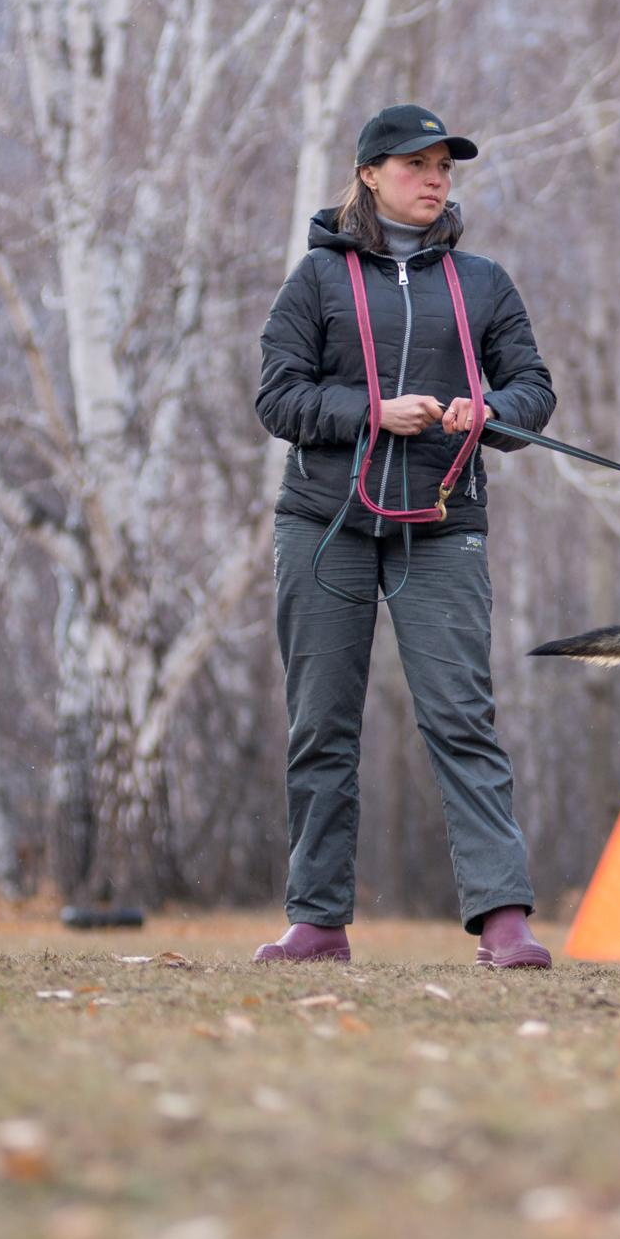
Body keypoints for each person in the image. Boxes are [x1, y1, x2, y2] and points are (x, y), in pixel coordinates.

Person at [252, 103, 558, 968]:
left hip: (444, 525)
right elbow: (277, 399)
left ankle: (504, 921)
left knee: (463, 716)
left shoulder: (484, 283)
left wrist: (489, 411)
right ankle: (317, 922)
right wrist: (370, 413)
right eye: (417, 163)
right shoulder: (312, 282)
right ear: (370, 173)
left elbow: (534, 390)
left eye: (445, 167)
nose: (435, 179)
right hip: (326, 525)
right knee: (321, 725)